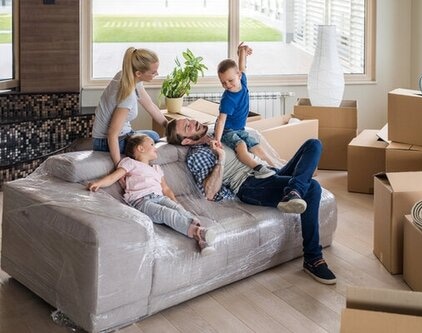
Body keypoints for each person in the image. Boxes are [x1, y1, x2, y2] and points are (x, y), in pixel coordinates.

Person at [165, 119, 336, 284]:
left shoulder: (218, 132)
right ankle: (313, 258)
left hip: (269, 173)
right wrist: (221, 159)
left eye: (190, 120)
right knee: (312, 187)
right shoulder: (197, 155)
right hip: (250, 185)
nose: (193, 122)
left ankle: (294, 190)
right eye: (187, 127)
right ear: (187, 141)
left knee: (313, 144)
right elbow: (210, 193)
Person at [88, 133, 215, 256]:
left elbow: (166, 189)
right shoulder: (129, 163)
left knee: (179, 210)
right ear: (140, 148)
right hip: (142, 201)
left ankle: (202, 239)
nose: (155, 148)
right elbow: (113, 177)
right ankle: (197, 231)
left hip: (160, 197)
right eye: (152, 144)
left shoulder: (157, 168)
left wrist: (175, 202)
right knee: (166, 213)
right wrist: (98, 183)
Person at [92, 47, 168, 166]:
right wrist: (119, 166)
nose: (157, 74)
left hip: (124, 134)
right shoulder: (127, 95)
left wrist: (168, 126)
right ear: (138, 73)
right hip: (105, 142)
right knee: (151, 144)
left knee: (153, 135)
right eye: (153, 72)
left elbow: (149, 104)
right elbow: (112, 134)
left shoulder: (127, 76)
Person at [213, 42, 275, 179]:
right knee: (241, 145)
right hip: (228, 131)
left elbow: (242, 66)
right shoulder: (228, 99)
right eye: (223, 82)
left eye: (230, 80)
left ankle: (274, 167)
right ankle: (258, 168)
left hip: (240, 129)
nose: (227, 85)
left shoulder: (243, 80)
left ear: (239, 76)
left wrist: (242, 52)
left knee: (255, 145)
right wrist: (217, 139)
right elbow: (221, 121)